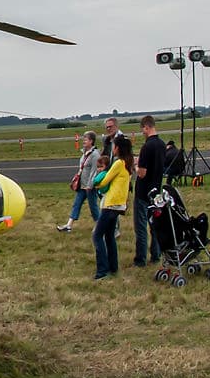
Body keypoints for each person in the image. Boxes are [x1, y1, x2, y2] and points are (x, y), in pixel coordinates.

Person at [91, 135, 133, 280]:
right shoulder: (127, 163)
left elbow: (104, 181)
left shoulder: (118, 163)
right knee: (109, 236)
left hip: (110, 204)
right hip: (119, 205)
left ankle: (102, 270)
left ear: (118, 148)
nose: (113, 149)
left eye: (114, 146)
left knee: (97, 236)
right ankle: (113, 267)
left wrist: (96, 181)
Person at [133, 115, 166, 267]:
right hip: (156, 190)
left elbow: (142, 173)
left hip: (143, 192)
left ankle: (140, 259)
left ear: (146, 127)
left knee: (141, 226)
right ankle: (156, 254)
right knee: (155, 225)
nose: (143, 133)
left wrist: (135, 166)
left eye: (143, 130)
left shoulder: (147, 147)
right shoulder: (161, 144)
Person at [57, 130, 102, 232]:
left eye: (85, 140)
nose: (83, 141)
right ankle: (69, 225)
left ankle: (99, 226)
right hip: (82, 185)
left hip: (89, 186)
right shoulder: (85, 153)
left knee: (93, 207)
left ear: (91, 141)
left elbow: (94, 172)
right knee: (76, 204)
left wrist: (90, 186)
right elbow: (82, 168)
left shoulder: (95, 155)